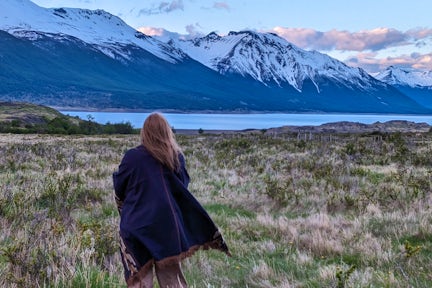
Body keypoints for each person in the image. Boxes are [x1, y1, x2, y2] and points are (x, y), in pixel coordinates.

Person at [113, 112, 230, 288]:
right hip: (167, 226)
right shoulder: (176, 157)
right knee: (172, 279)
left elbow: (119, 187)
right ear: (167, 131)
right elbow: (182, 187)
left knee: (139, 280)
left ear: (144, 132)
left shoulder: (133, 157)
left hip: (136, 226)